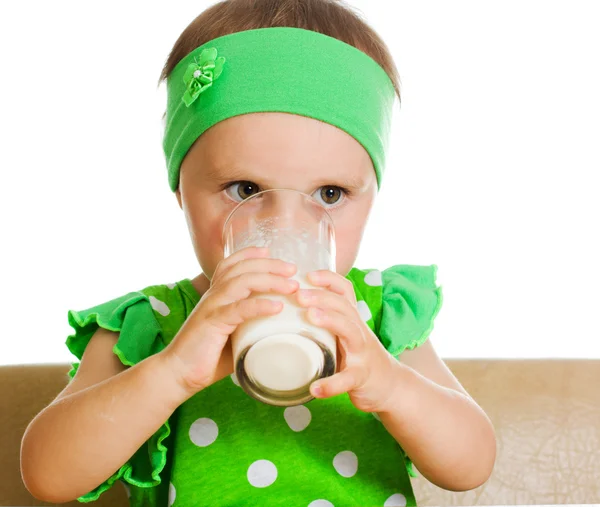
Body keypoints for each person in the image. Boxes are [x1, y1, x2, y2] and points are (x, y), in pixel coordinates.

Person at [20, 1, 496, 505]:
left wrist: (392, 386)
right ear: (181, 189)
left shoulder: (377, 317)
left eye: (329, 194)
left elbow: (472, 465)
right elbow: (49, 477)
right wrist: (173, 371)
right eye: (246, 190)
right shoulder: (150, 326)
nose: (284, 228)